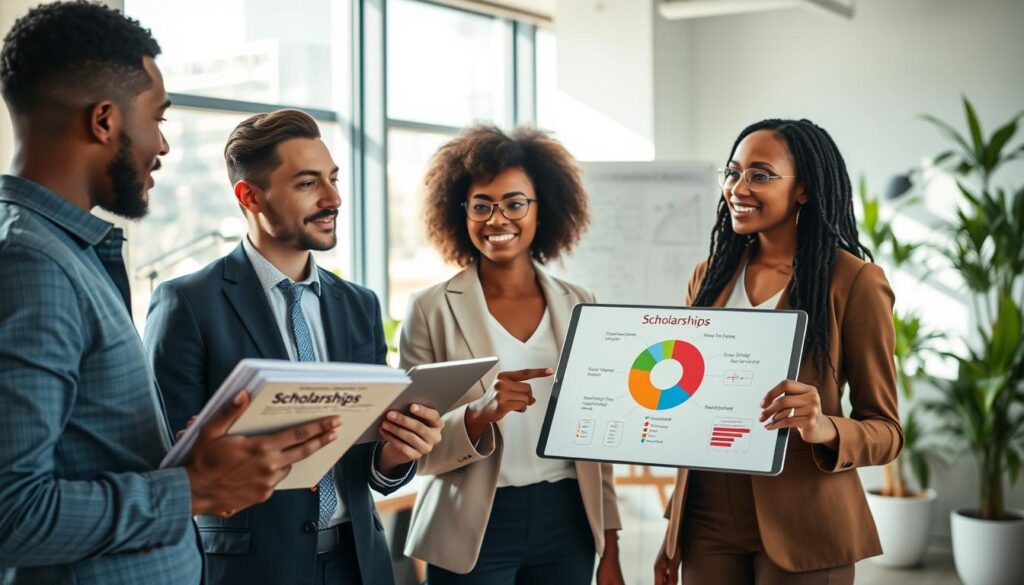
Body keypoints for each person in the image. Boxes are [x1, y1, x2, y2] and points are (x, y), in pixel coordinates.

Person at [0, 4, 340, 584]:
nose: (162, 145)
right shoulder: (34, 264)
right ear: (105, 121)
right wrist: (192, 487)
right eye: (157, 118)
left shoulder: (69, 253)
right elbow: (12, 514)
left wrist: (187, 459)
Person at [144, 108, 444, 585]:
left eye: (333, 179)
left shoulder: (358, 305)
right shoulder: (187, 304)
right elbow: (167, 464)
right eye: (308, 184)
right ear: (250, 196)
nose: (334, 198)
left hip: (359, 564)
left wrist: (397, 453)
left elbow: (367, 457)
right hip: (248, 569)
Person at [653, 119, 903, 585]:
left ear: (804, 189)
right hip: (707, 515)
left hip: (805, 519)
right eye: (732, 173)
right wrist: (674, 530)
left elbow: (886, 431)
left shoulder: (854, 282)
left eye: (760, 175)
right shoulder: (709, 276)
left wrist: (823, 425)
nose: (737, 188)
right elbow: (690, 403)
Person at [398, 125, 624, 585]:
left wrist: (611, 547)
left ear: (543, 210)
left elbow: (597, 438)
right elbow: (411, 449)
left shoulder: (582, 303)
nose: (497, 219)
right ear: (459, 212)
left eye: (515, 203)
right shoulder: (430, 309)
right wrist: (478, 415)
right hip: (472, 521)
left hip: (568, 518)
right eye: (482, 205)